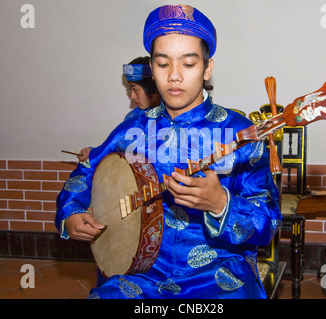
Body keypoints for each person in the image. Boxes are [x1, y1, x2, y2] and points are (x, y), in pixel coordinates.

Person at [55, 4, 281, 299]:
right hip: (141, 274)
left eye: (188, 64)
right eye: (163, 64)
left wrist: (219, 203)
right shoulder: (132, 130)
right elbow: (85, 171)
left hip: (218, 274)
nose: (174, 76)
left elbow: (269, 222)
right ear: (152, 68)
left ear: (207, 67)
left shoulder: (238, 133)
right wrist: (71, 212)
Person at [77, 57, 161, 162]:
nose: (132, 96)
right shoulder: (134, 118)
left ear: (154, 88)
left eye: (135, 89)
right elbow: (119, 152)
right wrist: (93, 152)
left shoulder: (175, 117)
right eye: (130, 89)